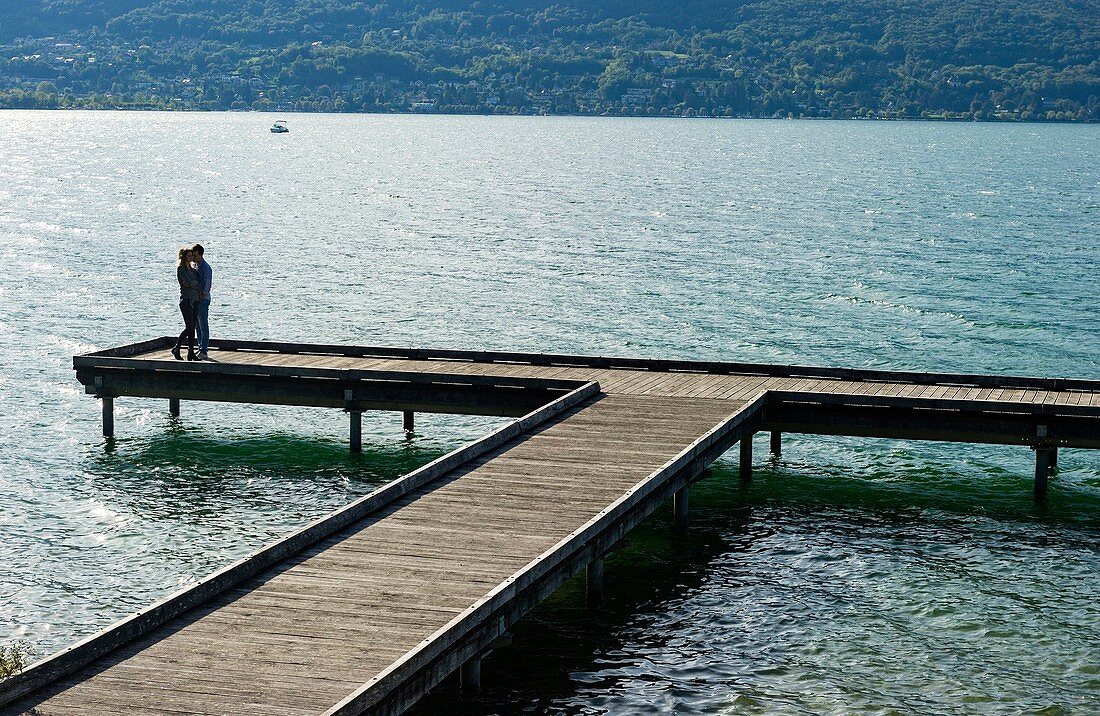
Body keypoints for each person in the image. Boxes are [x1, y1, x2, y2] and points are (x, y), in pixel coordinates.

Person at [172, 247, 200, 361]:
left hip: (195, 300)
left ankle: (191, 352)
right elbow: (189, 282)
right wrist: (192, 284)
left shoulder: (193, 270)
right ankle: (177, 347)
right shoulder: (181, 269)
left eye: (192, 256)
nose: (191, 258)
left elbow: (198, 282)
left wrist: (193, 284)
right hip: (186, 300)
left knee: (192, 327)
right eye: (189, 256)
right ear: (184, 257)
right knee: (189, 326)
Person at [192, 243, 212, 360]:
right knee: (197, 326)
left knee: (203, 324)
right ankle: (200, 347)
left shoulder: (206, 268)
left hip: (203, 300)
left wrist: (201, 296)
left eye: (195, 256)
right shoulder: (195, 265)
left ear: (201, 254)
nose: (193, 258)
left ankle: (204, 350)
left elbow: (207, 285)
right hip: (196, 299)